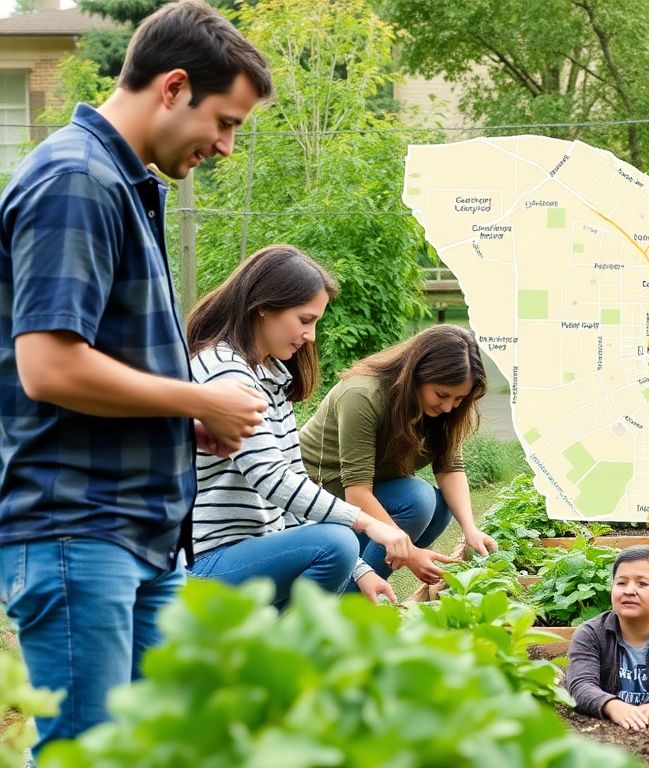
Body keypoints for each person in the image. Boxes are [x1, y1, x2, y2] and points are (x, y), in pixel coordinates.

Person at [0, 0, 271, 752]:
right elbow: (49, 366)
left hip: (137, 536)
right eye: (225, 121)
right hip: (78, 527)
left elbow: (97, 365)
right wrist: (200, 399)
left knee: (167, 745)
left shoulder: (121, 182)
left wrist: (177, 419)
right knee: (91, 753)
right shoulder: (75, 179)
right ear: (174, 86)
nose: (225, 146)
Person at [186, 245, 416, 606]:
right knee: (336, 542)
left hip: (251, 552)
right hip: (204, 561)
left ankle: (274, 645)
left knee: (341, 548)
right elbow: (274, 479)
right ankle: (274, 645)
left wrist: (361, 569)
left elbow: (293, 486)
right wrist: (369, 523)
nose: (310, 335)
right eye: (304, 320)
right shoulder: (224, 369)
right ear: (263, 307)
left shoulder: (270, 377)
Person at [300, 325, 497, 587]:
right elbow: (357, 492)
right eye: (441, 394)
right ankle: (352, 601)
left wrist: (470, 529)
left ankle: (357, 590)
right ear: (416, 374)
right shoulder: (362, 394)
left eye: (459, 398)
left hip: (371, 489)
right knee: (418, 499)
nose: (449, 406)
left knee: (441, 507)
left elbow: (450, 468)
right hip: (320, 490)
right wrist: (411, 554)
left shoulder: (445, 411)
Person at [566, 545, 649, 730]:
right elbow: (580, 684)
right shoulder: (590, 633)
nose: (629, 591)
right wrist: (612, 706)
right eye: (621, 583)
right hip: (603, 733)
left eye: (642, 584)